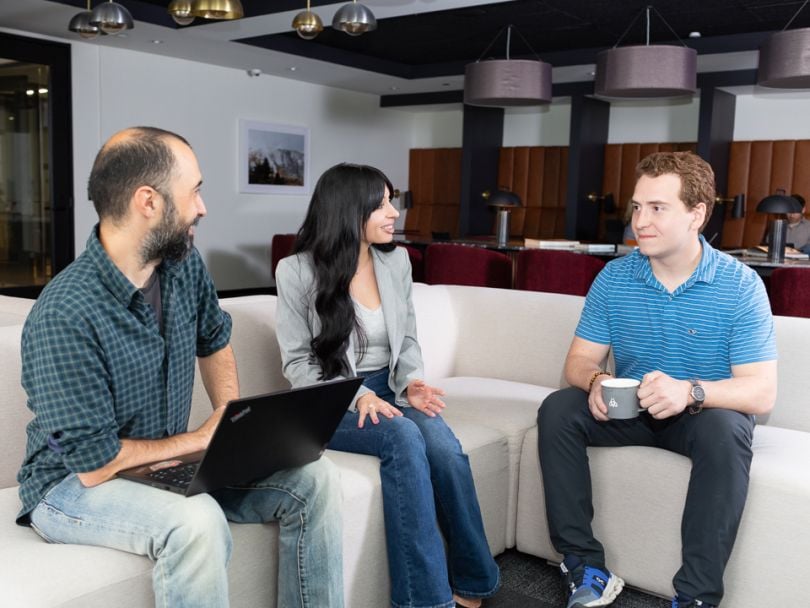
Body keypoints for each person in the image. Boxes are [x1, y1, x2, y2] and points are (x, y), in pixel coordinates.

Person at [16, 127, 343, 608]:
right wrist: (201, 439)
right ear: (148, 201)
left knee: (315, 478)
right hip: (68, 486)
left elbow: (214, 341)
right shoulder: (65, 311)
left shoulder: (182, 265)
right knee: (197, 521)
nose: (202, 207)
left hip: (162, 464)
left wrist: (232, 420)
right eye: (194, 191)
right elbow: (93, 463)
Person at [537, 151, 776, 608]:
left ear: (697, 215)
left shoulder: (740, 285)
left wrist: (690, 391)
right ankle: (585, 566)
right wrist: (595, 382)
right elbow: (578, 361)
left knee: (728, 429)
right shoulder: (615, 277)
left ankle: (697, 597)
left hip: (699, 417)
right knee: (558, 408)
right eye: (636, 207)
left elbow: (761, 392)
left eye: (657, 208)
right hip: (632, 411)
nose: (639, 222)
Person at [274, 163, 500, 608]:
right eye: (380, 204)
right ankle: (425, 600)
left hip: (391, 388)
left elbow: (408, 337)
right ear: (348, 211)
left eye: (390, 200)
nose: (393, 212)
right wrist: (359, 396)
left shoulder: (394, 261)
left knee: (442, 445)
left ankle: (474, 578)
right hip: (329, 398)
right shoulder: (296, 271)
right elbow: (298, 363)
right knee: (401, 435)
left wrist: (412, 381)